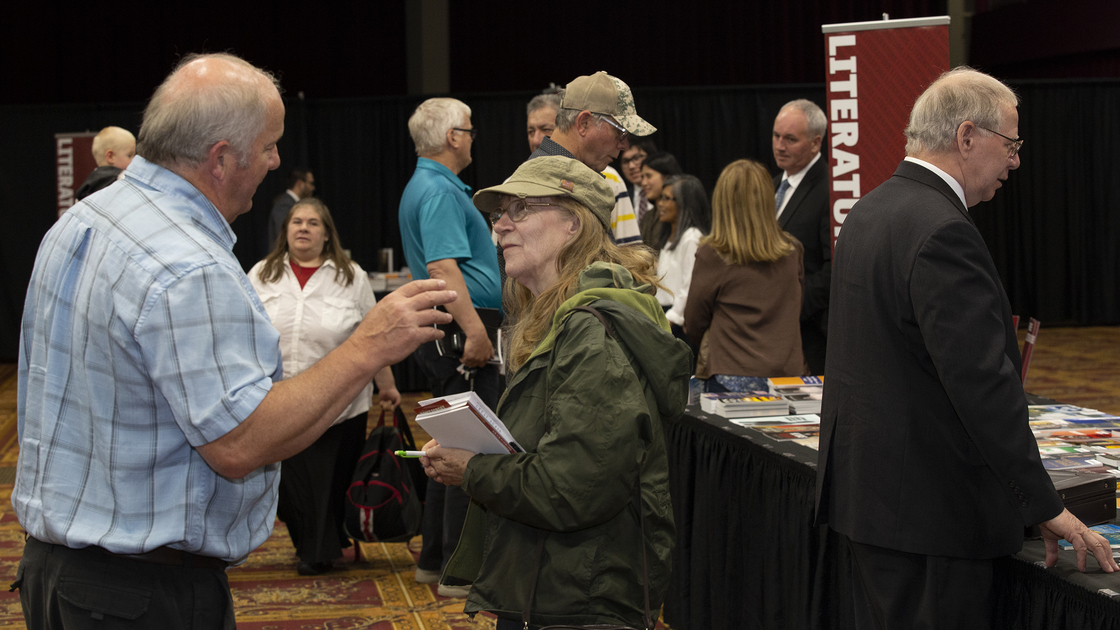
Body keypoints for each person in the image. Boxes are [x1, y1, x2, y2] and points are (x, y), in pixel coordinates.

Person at [13, 52, 455, 628]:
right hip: (141, 594)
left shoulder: (86, 217)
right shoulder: (187, 264)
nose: (276, 160)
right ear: (221, 158)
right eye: (270, 145)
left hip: (57, 573)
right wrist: (367, 346)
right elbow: (239, 443)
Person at [815, 67, 1118, 629]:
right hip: (932, 518)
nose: (1016, 162)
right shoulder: (942, 231)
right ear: (967, 136)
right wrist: (1045, 505)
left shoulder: (870, 210)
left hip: (871, 503)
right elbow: (981, 385)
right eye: (1012, 144)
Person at [420, 156, 691, 629]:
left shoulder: (593, 333)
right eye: (498, 213)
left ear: (573, 223)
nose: (500, 225)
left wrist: (474, 470)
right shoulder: (559, 320)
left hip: (583, 596)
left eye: (520, 208)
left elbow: (571, 489)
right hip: (553, 583)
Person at [249, 197, 401, 576]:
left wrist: (388, 386)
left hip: (340, 401)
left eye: (313, 223)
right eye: (296, 221)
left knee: (325, 480)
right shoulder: (260, 274)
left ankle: (317, 551)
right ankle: (315, 542)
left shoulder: (352, 277)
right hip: (277, 398)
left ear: (327, 233)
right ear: (285, 231)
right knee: (290, 487)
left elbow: (374, 334)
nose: (303, 228)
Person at [398, 97, 502, 598]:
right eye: (469, 129)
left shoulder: (431, 185)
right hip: (464, 330)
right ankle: (460, 571)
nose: (472, 138)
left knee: (449, 445)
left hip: (452, 328)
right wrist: (477, 332)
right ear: (451, 137)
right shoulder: (438, 189)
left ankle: (437, 559)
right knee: (471, 448)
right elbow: (443, 268)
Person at [684, 159, 807, 389]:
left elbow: (694, 322)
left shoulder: (713, 254)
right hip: (788, 378)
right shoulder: (793, 250)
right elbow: (795, 308)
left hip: (729, 376)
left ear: (722, 202)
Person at [528, 71, 653, 246]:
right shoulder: (540, 186)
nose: (624, 145)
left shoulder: (570, 177)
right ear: (584, 123)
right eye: (620, 132)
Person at [772, 99, 831, 375]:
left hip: (812, 335)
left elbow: (834, 267)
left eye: (790, 139)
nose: (779, 146)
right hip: (773, 336)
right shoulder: (772, 186)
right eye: (776, 136)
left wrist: (789, 309)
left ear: (816, 143)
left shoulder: (832, 190)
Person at [654, 174, 710, 346]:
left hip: (676, 321)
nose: (660, 204)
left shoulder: (692, 238)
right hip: (663, 313)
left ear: (685, 204)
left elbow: (689, 286)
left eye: (667, 199)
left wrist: (668, 321)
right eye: (660, 198)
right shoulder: (669, 237)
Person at [75, 125, 135, 200]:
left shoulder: (84, 188)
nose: (134, 160)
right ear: (110, 156)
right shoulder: (123, 178)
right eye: (129, 155)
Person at [638, 152, 683, 250]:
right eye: (642, 177)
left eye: (648, 176)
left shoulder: (678, 215)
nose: (643, 183)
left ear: (667, 177)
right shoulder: (647, 216)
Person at [268, 167, 316, 247]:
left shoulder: (291, 204)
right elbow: (283, 236)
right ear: (299, 183)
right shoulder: (284, 205)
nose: (313, 188)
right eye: (311, 183)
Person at [620, 137, 657, 219]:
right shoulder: (622, 198)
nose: (631, 166)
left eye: (636, 158)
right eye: (626, 161)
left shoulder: (666, 192)